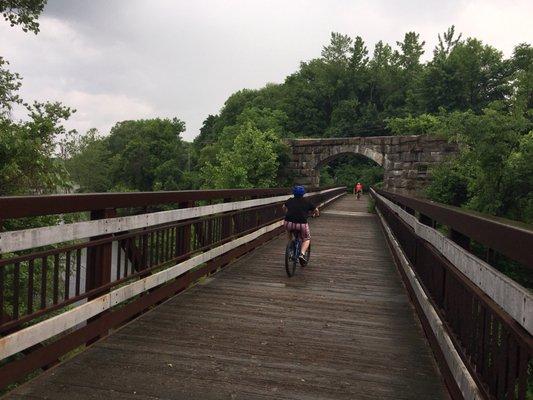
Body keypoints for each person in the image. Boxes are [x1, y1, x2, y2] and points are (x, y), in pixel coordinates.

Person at [282, 185, 319, 264]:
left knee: (289, 232)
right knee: (306, 238)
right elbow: (316, 210)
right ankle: (302, 254)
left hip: (288, 222)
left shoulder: (290, 200)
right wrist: (316, 214)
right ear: (303, 193)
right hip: (301, 224)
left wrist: (286, 213)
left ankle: (290, 248)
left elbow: (283, 207)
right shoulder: (307, 201)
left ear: (293, 193)